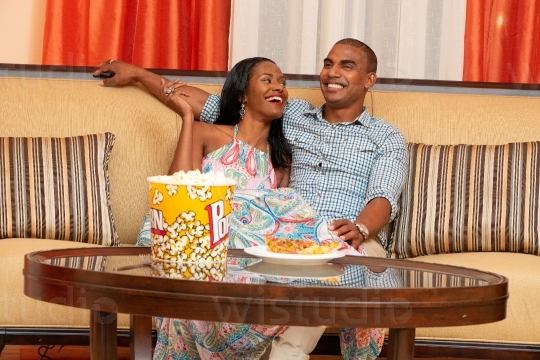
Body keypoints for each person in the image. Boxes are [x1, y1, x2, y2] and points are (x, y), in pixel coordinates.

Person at [94, 38, 408, 360]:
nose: (332, 72)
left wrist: (360, 228)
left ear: (369, 79)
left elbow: (383, 196)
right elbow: (217, 106)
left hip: (349, 230)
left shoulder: (385, 136)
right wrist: (137, 74)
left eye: (347, 65)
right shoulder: (294, 113)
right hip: (283, 234)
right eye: (328, 64)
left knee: (357, 261)